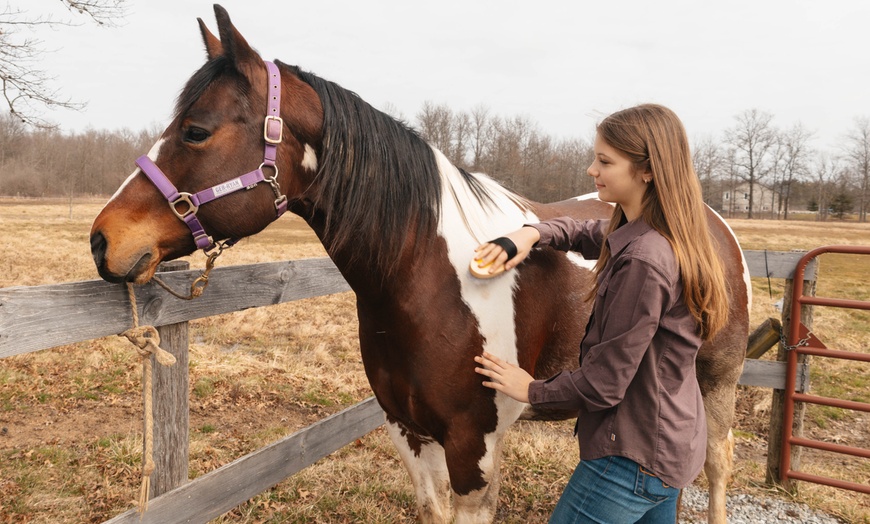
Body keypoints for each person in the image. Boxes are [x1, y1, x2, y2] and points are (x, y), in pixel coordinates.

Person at [473, 104, 729, 523]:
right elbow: (592, 233)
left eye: (605, 161)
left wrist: (530, 388)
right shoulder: (665, 234)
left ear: (647, 170)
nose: (592, 170)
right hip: (673, 446)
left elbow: (603, 384)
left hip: (629, 460)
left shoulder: (644, 261)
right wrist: (533, 232)